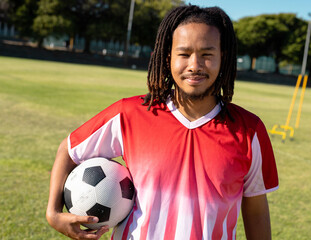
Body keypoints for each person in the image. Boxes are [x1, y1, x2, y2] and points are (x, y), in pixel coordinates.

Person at [46, 5, 278, 240]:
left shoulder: (249, 130)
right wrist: (53, 213)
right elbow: (69, 150)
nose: (194, 65)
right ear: (168, 58)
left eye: (207, 54)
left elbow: (256, 209)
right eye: (184, 54)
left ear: (223, 57)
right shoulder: (130, 114)